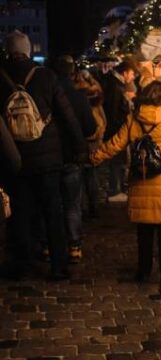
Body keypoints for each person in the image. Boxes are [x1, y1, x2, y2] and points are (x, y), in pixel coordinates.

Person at [91, 81, 161, 292]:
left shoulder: (133, 120)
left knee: (144, 233)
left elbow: (115, 144)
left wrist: (95, 157)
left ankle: (144, 271)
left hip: (141, 182)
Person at [0, 31, 87, 280]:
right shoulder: (47, 76)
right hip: (48, 158)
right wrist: (79, 147)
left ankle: (22, 263)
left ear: (8, 51)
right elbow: (67, 115)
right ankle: (58, 266)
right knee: (53, 211)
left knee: (20, 213)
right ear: (28, 51)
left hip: (14, 158)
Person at [51, 56, 97, 263]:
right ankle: (74, 246)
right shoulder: (79, 97)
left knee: (52, 203)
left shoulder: (46, 93)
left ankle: (47, 245)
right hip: (72, 156)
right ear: (73, 72)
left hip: (50, 157)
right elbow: (90, 128)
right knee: (72, 204)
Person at [101, 58, 138, 202]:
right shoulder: (116, 87)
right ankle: (114, 191)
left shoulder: (115, 84)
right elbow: (113, 111)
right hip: (115, 130)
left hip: (115, 129)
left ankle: (116, 189)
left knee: (118, 161)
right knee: (116, 161)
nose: (133, 77)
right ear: (125, 72)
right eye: (132, 73)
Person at [73, 68, 107, 218]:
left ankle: (85, 207)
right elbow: (102, 124)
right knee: (91, 177)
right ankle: (92, 206)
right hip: (92, 144)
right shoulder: (96, 103)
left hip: (84, 143)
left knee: (83, 178)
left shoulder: (79, 99)